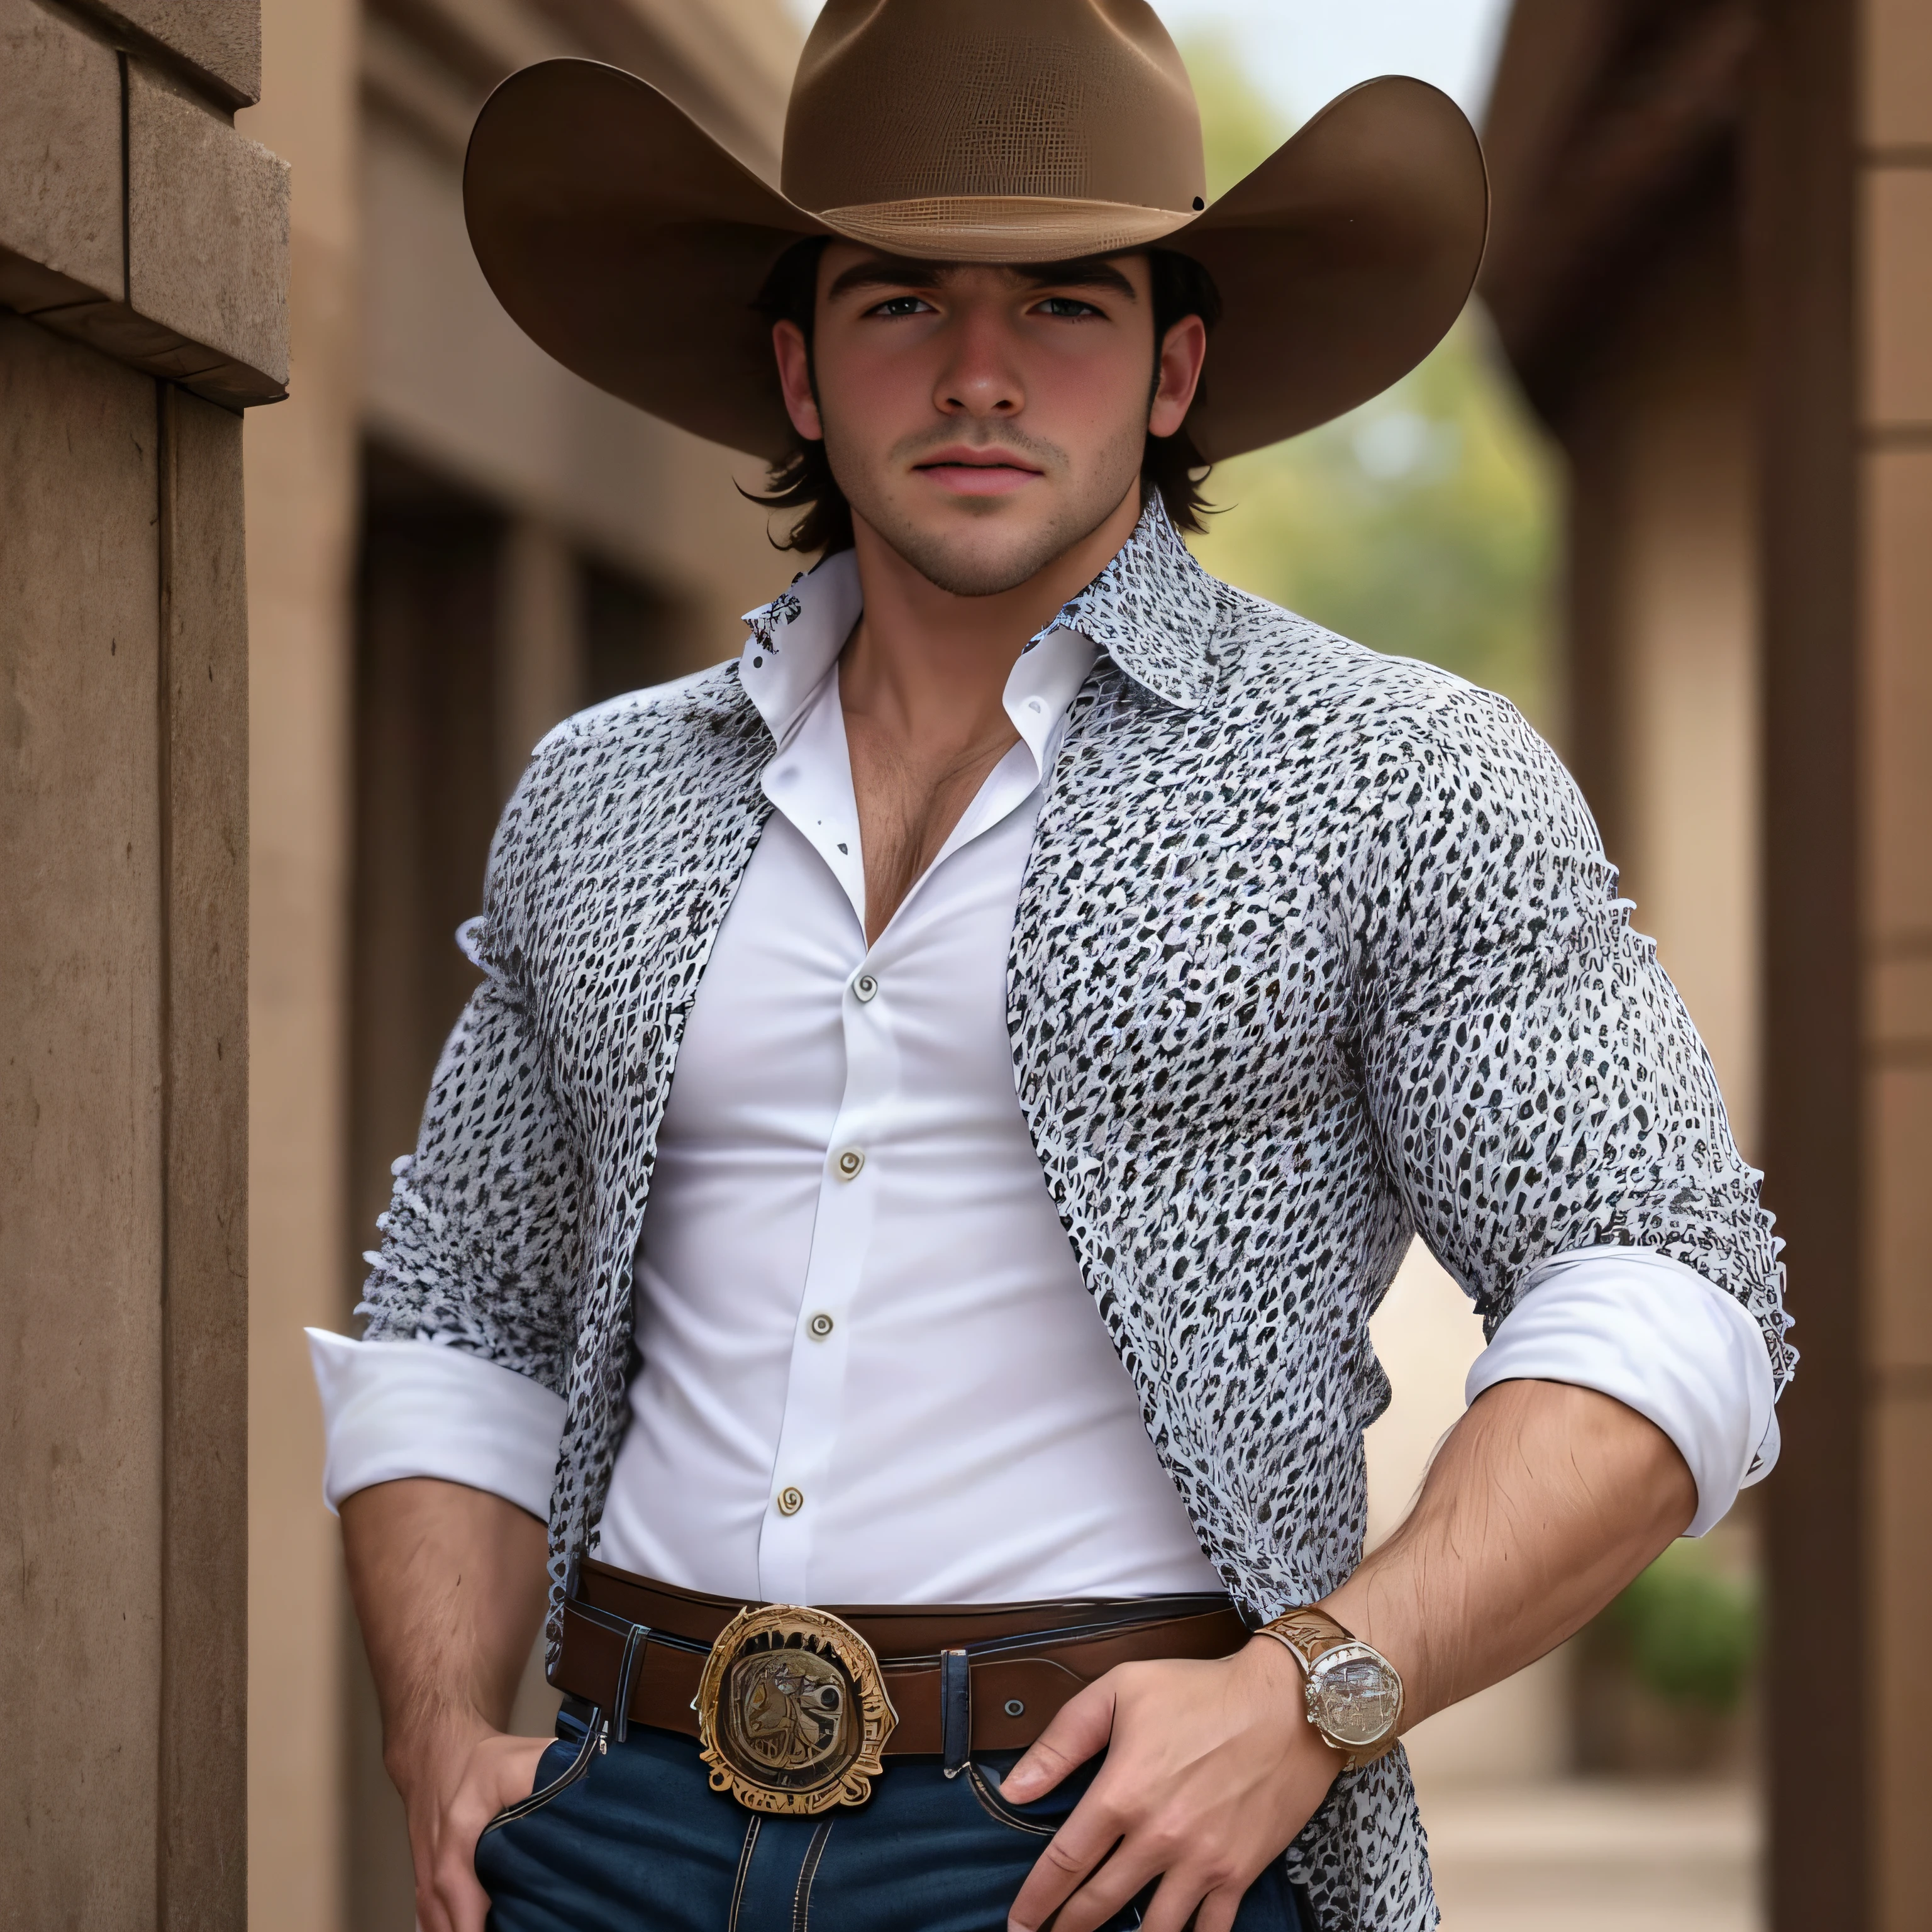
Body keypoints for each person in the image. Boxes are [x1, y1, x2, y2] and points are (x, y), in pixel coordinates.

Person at [308, 4, 1791, 1929]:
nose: (982, 374)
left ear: (1178, 366)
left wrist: (1312, 1696)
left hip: (1112, 1845)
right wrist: (438, 1741)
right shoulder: (602, 795)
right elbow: (461, 1307)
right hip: (613, 1830)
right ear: (801, 366)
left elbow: (1669, 1282)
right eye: (903, 303)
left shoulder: (1392, 774)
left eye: (1067, 307)